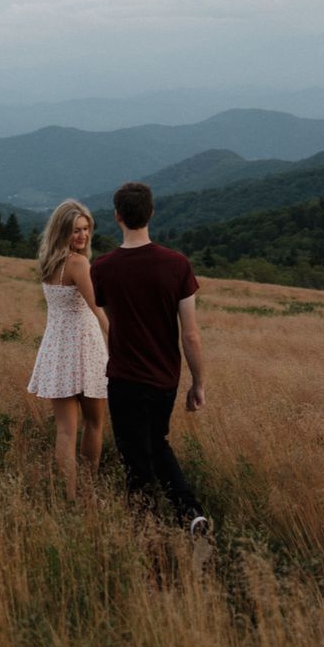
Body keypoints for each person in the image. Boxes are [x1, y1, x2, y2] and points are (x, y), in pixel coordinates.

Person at [90, 181, 208, 535]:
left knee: (135, 458)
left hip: (125, 378)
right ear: (151, 213)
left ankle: (146, 532)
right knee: (156, 442)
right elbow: (190, 333)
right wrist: (197, 382)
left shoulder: (103, 268)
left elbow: (112, 319)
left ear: (117, 217)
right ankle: (190, 515)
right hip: (165, 379)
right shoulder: (178, 265)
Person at [27, 199, 109, 500]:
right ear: (63, 230)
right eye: (76, 230)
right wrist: (119, 343)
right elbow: (97, 309)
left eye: (86, 229)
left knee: (65, 430)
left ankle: (68, 496)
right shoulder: (78, 263)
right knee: (94, 424)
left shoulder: (49, 261)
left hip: (56, 351)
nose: (83, 236)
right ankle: (86, 492)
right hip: (86, 350)